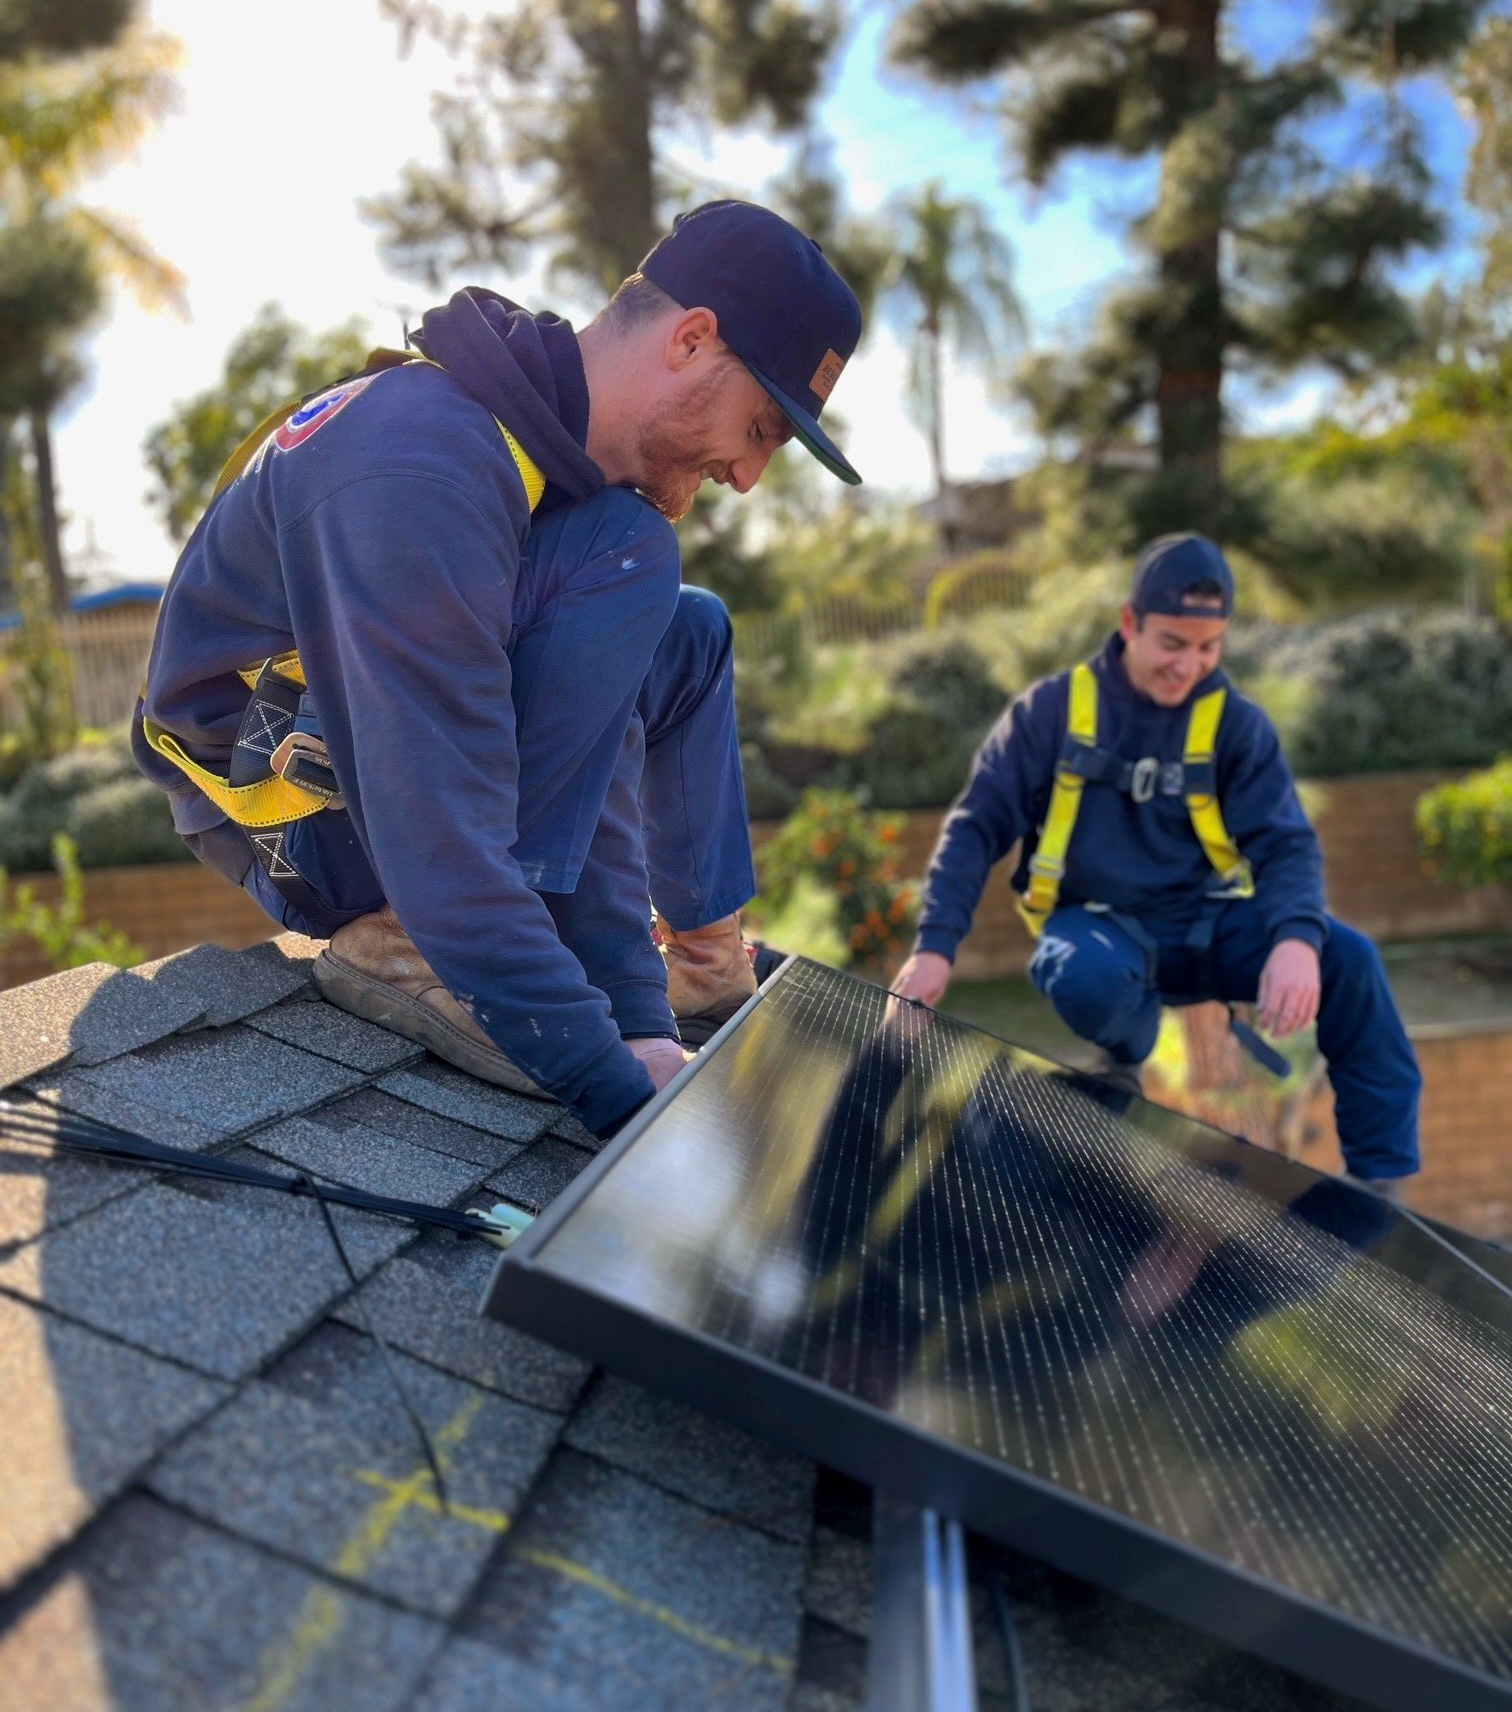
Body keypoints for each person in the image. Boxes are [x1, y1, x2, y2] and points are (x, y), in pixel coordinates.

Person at [134, 200, 862, 1140]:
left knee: (684, 629)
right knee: (632, 555)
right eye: (761, 429)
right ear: (689, 341)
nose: (750, 474)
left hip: (380, 788)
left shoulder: (531, 455)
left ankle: (704, 961)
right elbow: (441, 834)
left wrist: (642, 1017)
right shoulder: (419, 467)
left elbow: (600, 737)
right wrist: (616, 1091)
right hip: (309, 830)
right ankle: (405, 948)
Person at [888, 533, 1422, 1196]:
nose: (1189, 666)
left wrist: (1294, 941)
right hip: (1098, 931)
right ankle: (1124, 1063)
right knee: (1086, 978)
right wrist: (937, 948)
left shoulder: (1235, 725)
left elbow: (1285, 844)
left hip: (1206, 929)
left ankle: (1383, 1187)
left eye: (1208, 647)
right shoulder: (1052, 713)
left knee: (1350, 959)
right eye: (1172, 643)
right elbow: (974, 830)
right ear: (1130, 624)